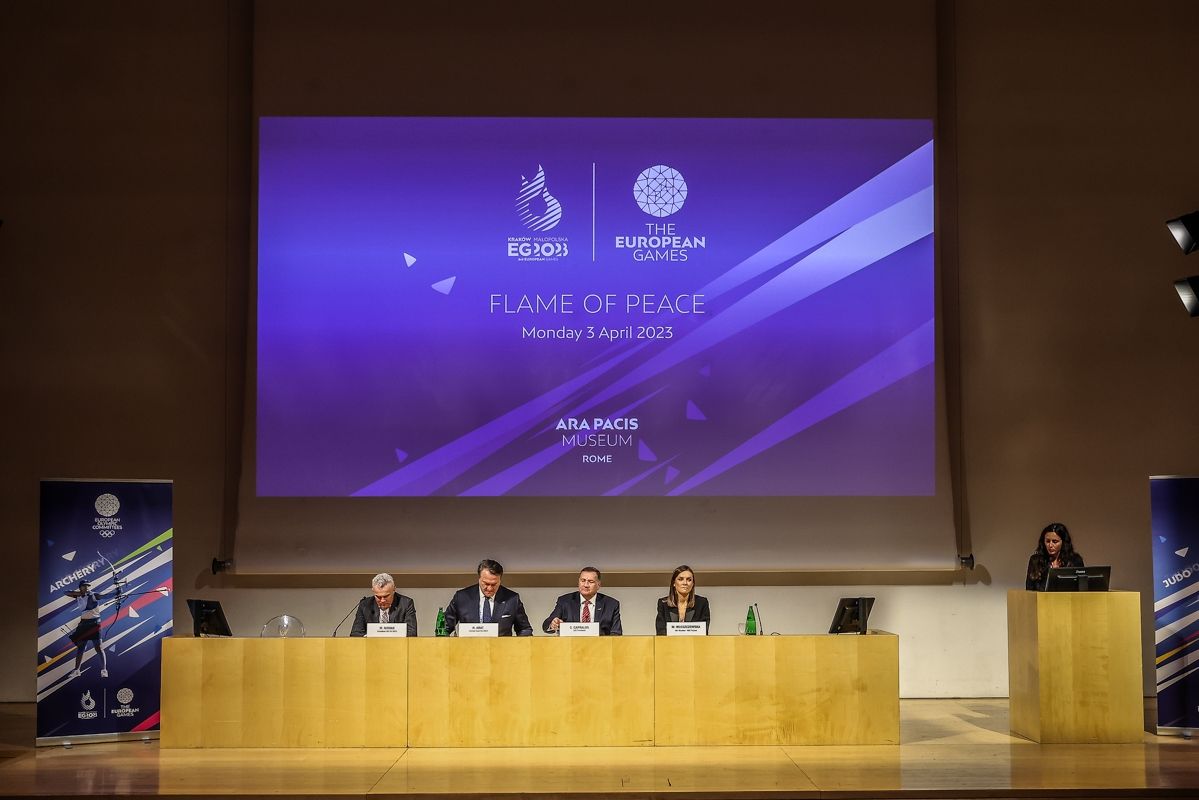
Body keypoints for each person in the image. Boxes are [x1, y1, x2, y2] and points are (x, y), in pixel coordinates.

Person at [444, 559, 533, 636]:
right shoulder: (462, 597)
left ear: (500, 580)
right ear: (479, 578)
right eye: (486, 583)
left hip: (502, 649)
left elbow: (525, 629)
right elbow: (444, 628)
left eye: (494, 584)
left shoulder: (512, 599)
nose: (489, 588)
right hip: (468, 648)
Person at [542, 566, 623, 636]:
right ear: (578, 582)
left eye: (590, 581)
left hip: (600, 646)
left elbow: (616, 633)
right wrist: (553, 624)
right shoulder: (565, 601)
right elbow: (546, 625)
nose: (586, 585)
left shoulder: (611, 604)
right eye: (583, 580)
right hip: (570, 646)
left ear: (598, 585)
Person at [350, 572, 417, 637]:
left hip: (398, 644)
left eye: (386, 596)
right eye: (378, 597)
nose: (382, 600)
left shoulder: (406, 603)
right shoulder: (365, 605)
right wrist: (370, 638)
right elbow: (355, 633)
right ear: (373, 591)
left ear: (394, 590)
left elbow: (412, 633)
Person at [64, 580, 108, 678]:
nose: (87, 587)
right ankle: (77, 670)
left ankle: (104, 670)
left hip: (95, 624)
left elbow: (105, 596)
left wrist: (117, 592)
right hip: (84, 624)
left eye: (88, 586)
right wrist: (79, 593)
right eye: (84, 586)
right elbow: (65, 592)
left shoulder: (93, 595)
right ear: (80, 587)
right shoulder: (79, 596)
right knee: (81, 648)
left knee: (99, 648)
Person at [1025, 522, 1085, 590]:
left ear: (1063, 542)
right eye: (1047, 541)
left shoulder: (1074, 560)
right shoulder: (1036, 560)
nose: (1050, 545)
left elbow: (1081, 587)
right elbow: (1029, 588)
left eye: (1055, 541)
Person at [655, 565, 711, 635]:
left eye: (689, 580)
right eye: (680, 579)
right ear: (674, 583)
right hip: (670, 642)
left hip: (694, 642)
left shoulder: (702, 603)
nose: (685, 583)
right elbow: (661, 631)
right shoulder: (663, 603)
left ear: (693, 584)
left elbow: (703, 631)